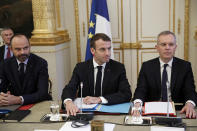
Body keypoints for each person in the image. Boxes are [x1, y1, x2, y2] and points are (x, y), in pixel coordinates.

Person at [62, 33, 132, 116]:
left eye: (109, 49)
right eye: (102, 49)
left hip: (109, 114)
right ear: (92, 51)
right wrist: (68, 102)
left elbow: (126, 93)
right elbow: (70, 88)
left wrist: (99, 99)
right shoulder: (81, 68)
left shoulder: (118, 68)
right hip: (85, 114)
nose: (108, 53)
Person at [132, 31, 197, 119]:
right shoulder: (147, 66)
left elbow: (190, 90)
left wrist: (189, 104)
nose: (167, 48)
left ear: (175, 47)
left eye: (171, 44)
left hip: (177, 111)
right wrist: (137, 103)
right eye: (163, 44)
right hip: (152, 111)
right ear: (157, 47)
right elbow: (141, 89)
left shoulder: (185, 66)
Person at [0, 34, 51, 106]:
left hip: (37, 104)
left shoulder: (40, 63)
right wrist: (2, 96)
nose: (22, 52)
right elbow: (2, 87)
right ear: (11, 49)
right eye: (18, 49)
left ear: (30, 46)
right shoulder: (5, 64)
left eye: (25, 48)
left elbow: (42, 93)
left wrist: (18, 99)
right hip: (13, 106)